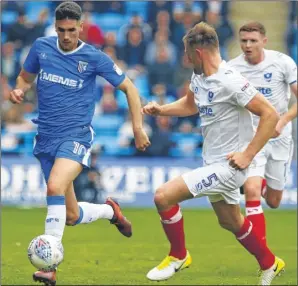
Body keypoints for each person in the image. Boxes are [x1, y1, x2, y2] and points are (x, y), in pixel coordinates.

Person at [9, 2, 150, 285]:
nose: (66, 36)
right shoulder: (41, 47)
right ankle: (111, 211)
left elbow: (130, 88)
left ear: (81, 27)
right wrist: (19, 89)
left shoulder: (93, 57)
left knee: (54, 187)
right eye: (61, 30)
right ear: (55, 27)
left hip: (76, 136)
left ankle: (49, 265)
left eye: (71, 30)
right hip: (45, 138)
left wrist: (137, 128)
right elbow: (25, 76)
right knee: (71, 215)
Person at [142, 22, 284, 285]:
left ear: (197, 54)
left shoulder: (230, 81)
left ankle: (178, 255)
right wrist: (161, 110)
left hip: (230, 167)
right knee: (230, 222)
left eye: (186, 53)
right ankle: (270, 262)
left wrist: (247, 155)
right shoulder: (200, 77)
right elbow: (189, 104)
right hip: (213, 161)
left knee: (163, 197)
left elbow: (270, 114)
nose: (184, 59)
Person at [228, 22, 297, 245]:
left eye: (253, 41)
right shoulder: (232, 68)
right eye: (244, 41)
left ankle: (267, 185)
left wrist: (283, 120)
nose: (248, 45)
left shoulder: (282, 62)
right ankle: (263, 256)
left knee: (274, 201)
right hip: (252, 137)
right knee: (251, 190)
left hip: (279, 136)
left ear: (264, 41)